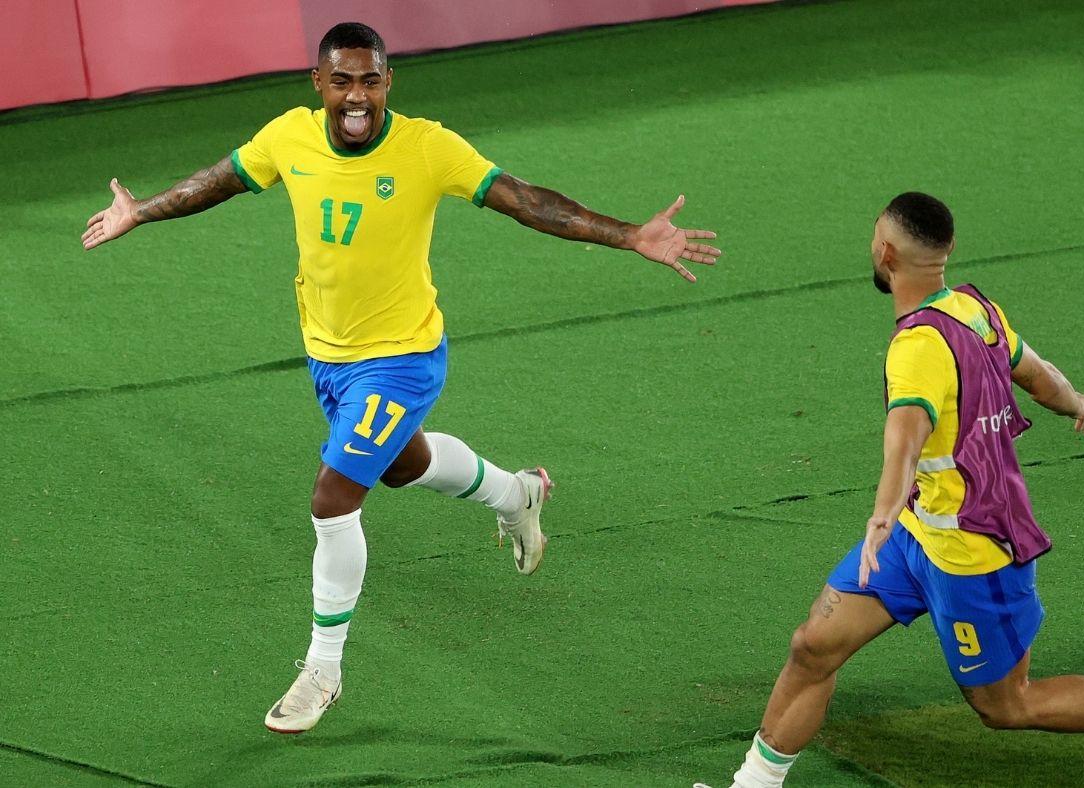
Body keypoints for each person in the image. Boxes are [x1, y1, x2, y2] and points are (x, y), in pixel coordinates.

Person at [81, 21, 720, 735]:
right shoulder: (288, 137)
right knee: (397, 465)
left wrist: (629, 233)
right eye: (343, 81)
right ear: (318, 85)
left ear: (389, 83)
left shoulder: (425, 147)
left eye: (371, 80)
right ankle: (520, 494)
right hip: (329, 359)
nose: (358, 96)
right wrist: (141, 211)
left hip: (403, 359)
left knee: (333, 497)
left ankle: (322, 669)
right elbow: (221, 181)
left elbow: (525, 199)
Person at [698, 193, 1084, 788]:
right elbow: (1034, 370)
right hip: (917, 534)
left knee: (1006, 705)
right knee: (814, 646)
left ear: (886, 252)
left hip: (973, 553)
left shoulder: (917, 347)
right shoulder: (976, 309)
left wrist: (880, 514)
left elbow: (905, 437)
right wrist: (1073, 399)